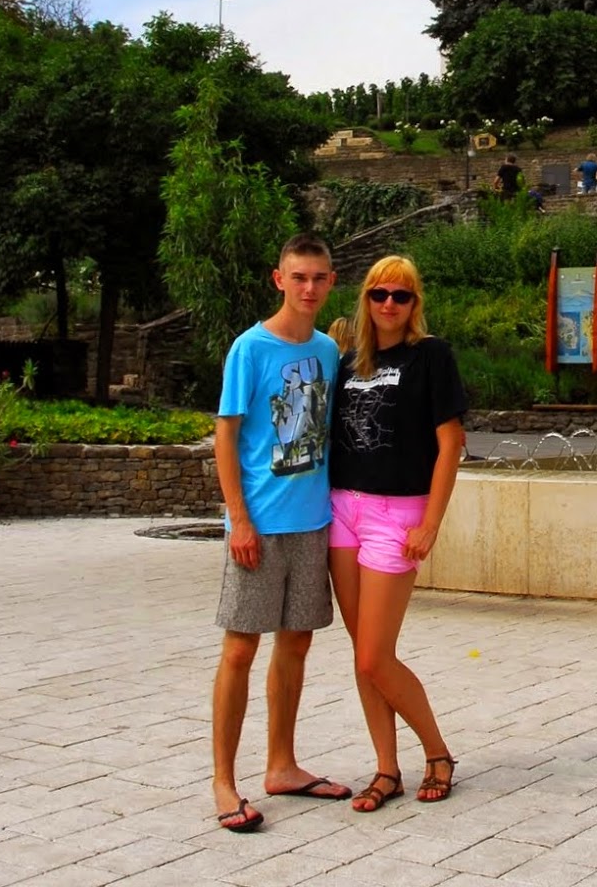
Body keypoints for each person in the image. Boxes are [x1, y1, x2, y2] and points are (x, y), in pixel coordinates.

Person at [211, 234, 350, 835]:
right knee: (240, 649)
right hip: (261, 526)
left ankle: (282, 765)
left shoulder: (327, 350)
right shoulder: (250, 348)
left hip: (312, 523)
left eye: (319, 278)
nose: (309, 288)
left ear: (331, 281)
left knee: (296, 645)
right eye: (299, 277)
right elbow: (225, 434)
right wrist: (238, 519)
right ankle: (223, 781)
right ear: (279, 280)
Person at [329, 254, 467, 812]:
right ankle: (386, 769)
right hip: (343, 509)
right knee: (363, 652)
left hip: (397, 515)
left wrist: (430, 523)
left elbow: (450, 445)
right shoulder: (347, 362)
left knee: (373, 657)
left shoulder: (431, 356)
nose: (389, 304)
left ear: (415, 303)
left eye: (401, 295)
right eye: (379, 294)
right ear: (365, 299)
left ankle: (437, 752)